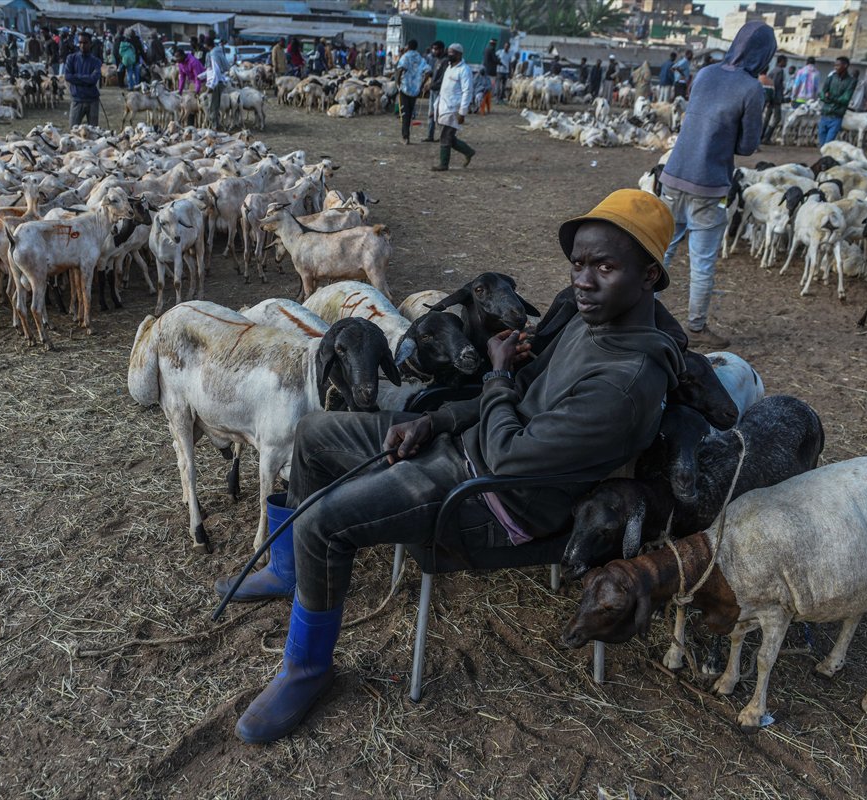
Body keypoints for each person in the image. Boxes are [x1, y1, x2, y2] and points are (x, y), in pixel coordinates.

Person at [226, 187, 684, 744]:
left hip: (495, 502)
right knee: (315, 432)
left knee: (326, 525)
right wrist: (438, 420)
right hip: (469, 451)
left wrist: (494, 377)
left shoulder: (626, 382)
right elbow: (520, 395)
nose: (583, 281)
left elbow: (511, 450)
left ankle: (306, 669)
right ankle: (290, 568)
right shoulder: (592, 326)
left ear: (650, 277)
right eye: (578, 264)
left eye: (605, 266)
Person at [659, 21, 775, 349]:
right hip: (709, 185)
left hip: (673, 173)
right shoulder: (752, 89)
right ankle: (695, 326)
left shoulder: (707, 73)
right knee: (703, 259)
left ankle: (641, 316)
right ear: (765, 55)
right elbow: (748, 146)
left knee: (661, 249)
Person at [431, 43, 474, 171]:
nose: (449, 54)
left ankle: (443, 164)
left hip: (454, 108)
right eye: (449, 52)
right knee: (448, 136)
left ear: (459, 54)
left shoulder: (464, 70)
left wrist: (462, 112)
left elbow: (467, 91)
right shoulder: (449, 67)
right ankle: (468, 151)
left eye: (452, 52)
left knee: (445, 135)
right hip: (443, 105)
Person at [395, 39, 429, 145]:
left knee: (404, 113)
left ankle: (405, 137)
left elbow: (399, 69)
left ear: (408, 46)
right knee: (410, 114)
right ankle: (407, 135)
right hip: (415, 90)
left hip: (405, 88)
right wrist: (422, 84)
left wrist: (398, 82)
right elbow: (428, 71)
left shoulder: (405, 57)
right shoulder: (420, 58)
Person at [64, 31, 102, 128]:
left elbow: (94, 79)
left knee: (93, 133)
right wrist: (87, 78)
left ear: (90, 44)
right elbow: (68, 77)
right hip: (77, 99)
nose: (82, 45)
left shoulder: (96, 61)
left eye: (85, 43)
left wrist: (76, 77)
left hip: (92, 100)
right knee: (73, 131)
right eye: (80, 42)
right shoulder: (71, 58)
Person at [818, 56, 856, 146]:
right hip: (825, 114)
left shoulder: (851, 81)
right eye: (835, 65)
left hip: (836, 116)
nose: (835, 67)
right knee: (821, 143)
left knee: (828, 144)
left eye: (838, 65)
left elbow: (845, 99)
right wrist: (827, 97)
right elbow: (822, 93)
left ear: (845, 66)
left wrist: (830, 98)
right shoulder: (831, 77)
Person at [422, 41, 447, 143]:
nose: (434, 51)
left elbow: (443, 79)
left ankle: (443, 136)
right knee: (431, 114)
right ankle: (430, 135)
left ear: (441, 49)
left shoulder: (445, 61)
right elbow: (435, 74)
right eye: (433, 49)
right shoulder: (438, 60)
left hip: (440, 91)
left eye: (436, 49)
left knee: (439, 114)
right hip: (433, 90)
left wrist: (431, 85)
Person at [761, 54, 787, 143]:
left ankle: (762, 136)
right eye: (785, 62)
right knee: (777, 118)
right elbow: (775, 85)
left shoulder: (773, 70)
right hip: (775, 99)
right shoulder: (779, 71)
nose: (786, 63)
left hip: (771, 98)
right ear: (781, 62)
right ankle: (766, 137)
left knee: (767, 117)